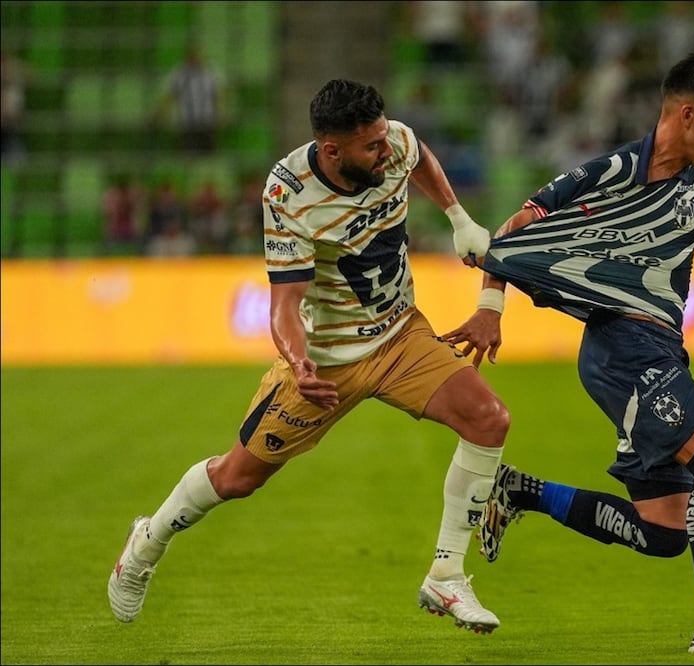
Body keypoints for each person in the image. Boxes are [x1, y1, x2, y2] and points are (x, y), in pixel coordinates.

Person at [108, 79, 510, 633]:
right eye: (370, 146)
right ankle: (147, 542)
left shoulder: (393, 141)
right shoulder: (288, 193)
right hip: (327, 360)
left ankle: (446, 576)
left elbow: (419, 158)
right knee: (237, 478)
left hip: (400, 336)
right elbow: (285, 304)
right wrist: (299, 364)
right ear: (332, 151)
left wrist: (457, 216)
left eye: (384, 137)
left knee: (489, 420)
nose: (386, 150)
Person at [444, 52, 694, 654]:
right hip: (619, 349)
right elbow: (515, 230)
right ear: (685, 114)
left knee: (664, 531)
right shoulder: (612, 171)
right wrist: (490, 309)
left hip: (661, 348)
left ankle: (520, 491)